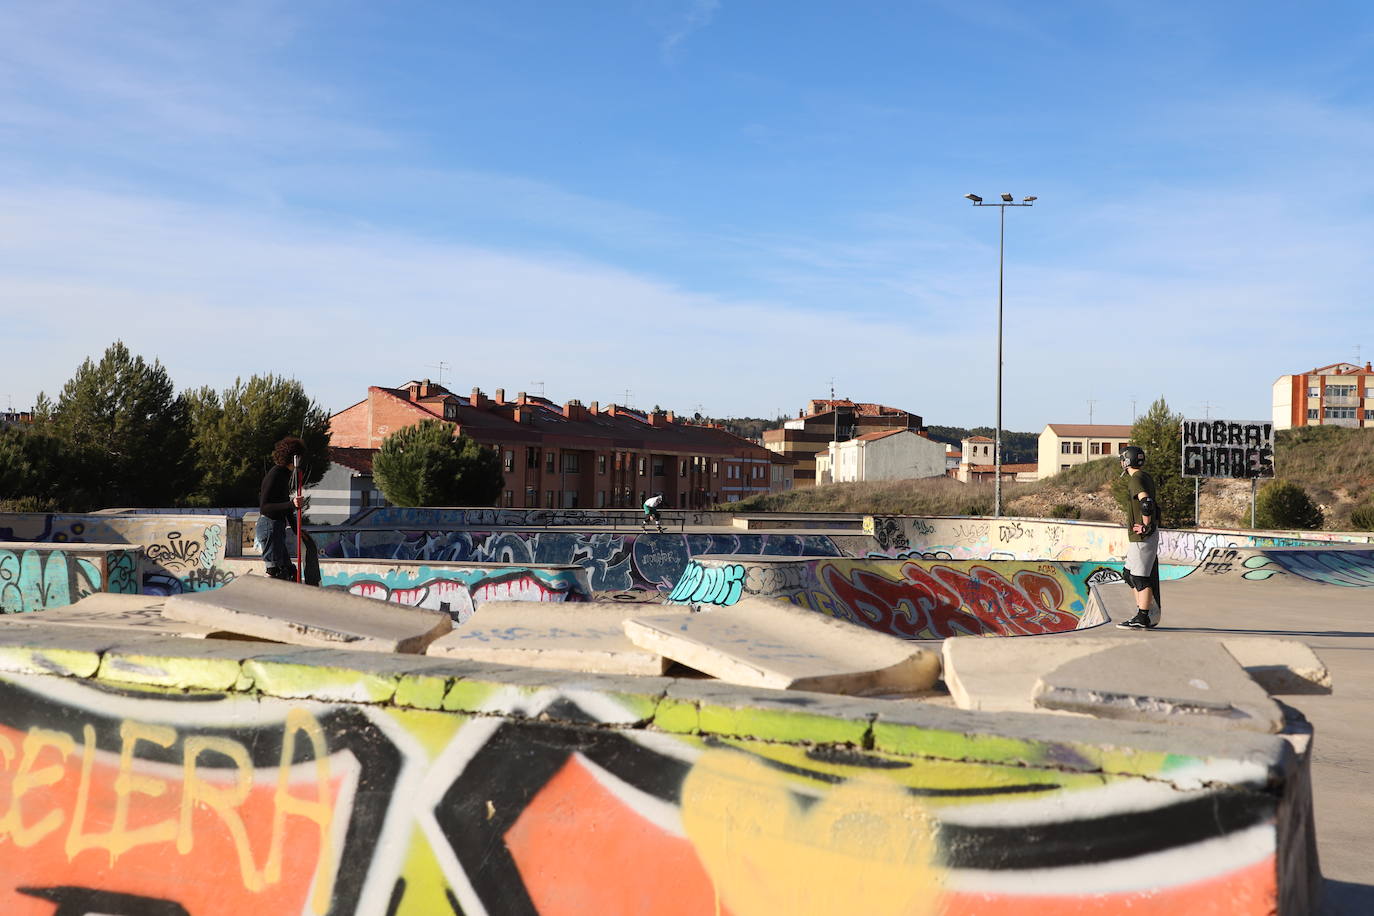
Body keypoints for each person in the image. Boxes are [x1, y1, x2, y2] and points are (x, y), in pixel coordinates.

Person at [256, 436, 318, 584]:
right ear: (294, 457)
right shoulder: (276, 474)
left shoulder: (284, 475)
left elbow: (287, 507)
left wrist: (297, 529)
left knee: (289, 572)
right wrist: (292, 504)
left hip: (277, 527)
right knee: (275, 571)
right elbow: (264, 507)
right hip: (269, 525)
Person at [1116, 445, 1161, 629]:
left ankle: (1143, 617)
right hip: (1138, 538)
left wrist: (1145, 525)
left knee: (1140, 578)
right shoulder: (1144, 476)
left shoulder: (1135, 479)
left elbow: (1146, 503)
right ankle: (1142, 610)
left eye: (1122, 459)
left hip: (1142, 537)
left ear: (1127, 461)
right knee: (1129, 575)